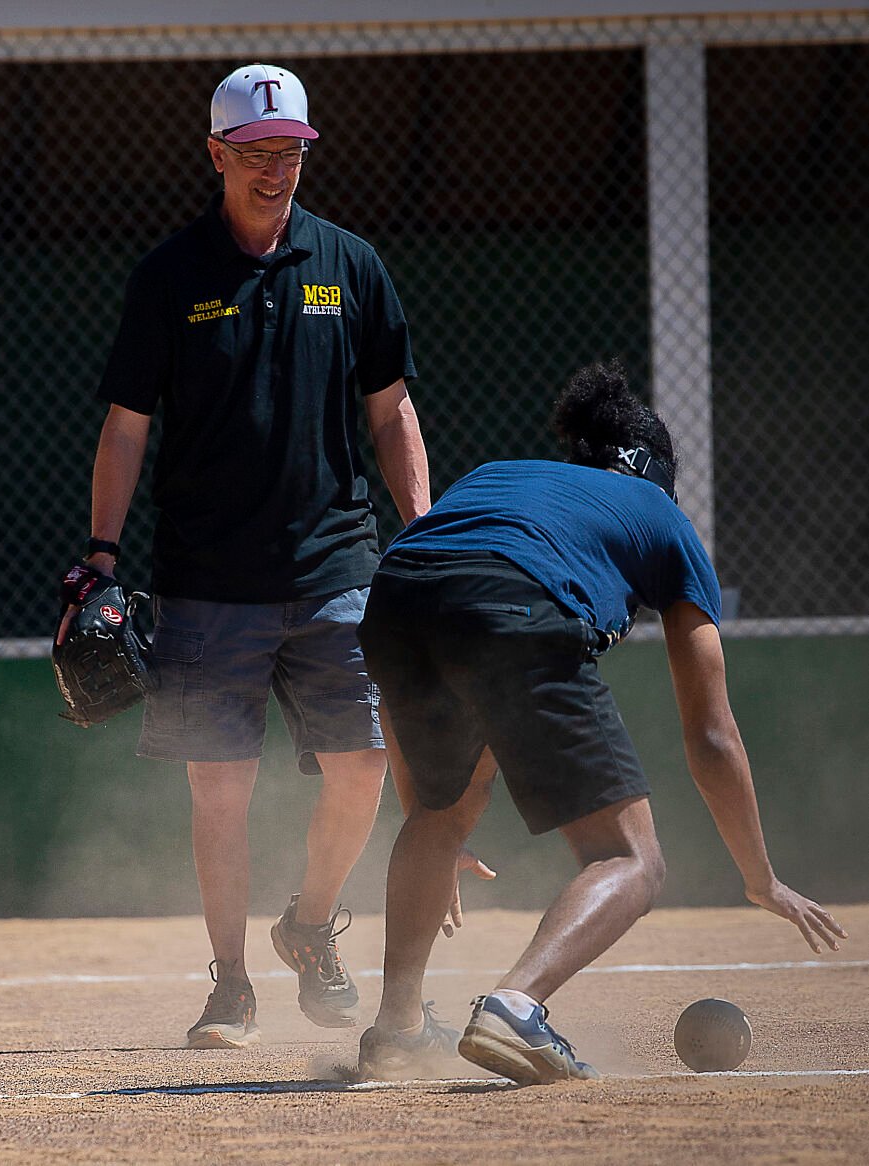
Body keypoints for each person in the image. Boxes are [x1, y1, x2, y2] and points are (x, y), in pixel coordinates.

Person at [60, 64, 430, 1048]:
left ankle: (308, 925)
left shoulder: (349, 265)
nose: (277, 169)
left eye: (292, 151)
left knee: (362, 761)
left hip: (335, 565)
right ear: (217, 154)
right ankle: (229, 983)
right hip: (204, 576)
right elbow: (126, 424)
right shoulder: (171, 277)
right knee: (219, 787)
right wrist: (101, 555)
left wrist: (420, 529)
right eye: (258, 152)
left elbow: (390, 407)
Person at [354, 360, 847, 1084]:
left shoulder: (498, 476)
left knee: (443, 812)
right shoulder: (661, 518)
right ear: (657, 475)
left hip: (392, 600)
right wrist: (759, 877)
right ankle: (514, 1009)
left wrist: (431, 810)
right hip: (515, 604)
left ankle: (395, 1027)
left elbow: (411, 671)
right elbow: (711, 737)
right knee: (629, 860)